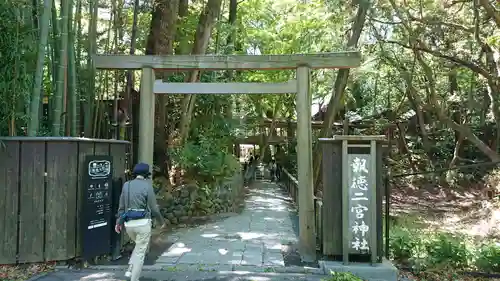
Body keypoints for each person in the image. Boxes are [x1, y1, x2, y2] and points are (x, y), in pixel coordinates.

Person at [115, 163, 167, 281]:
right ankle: (134, 278)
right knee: (140, 253)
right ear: (146, 175)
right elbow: (154, 208)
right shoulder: (147, 186)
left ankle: (129, 270)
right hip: (143, 223)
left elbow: (121, 206)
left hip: (129, 224)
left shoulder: (126, 185)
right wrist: (161, 222)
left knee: (138, 246)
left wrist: (118, 222)